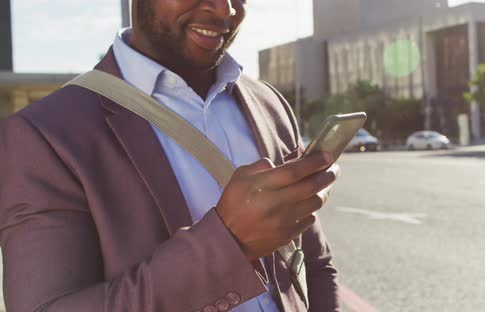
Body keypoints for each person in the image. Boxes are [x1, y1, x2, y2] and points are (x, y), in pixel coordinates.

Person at [0, 0, 341, 311]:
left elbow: (314, 261)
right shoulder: (45, 135)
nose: (225, 10)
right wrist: (228, 244)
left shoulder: (269, 105)